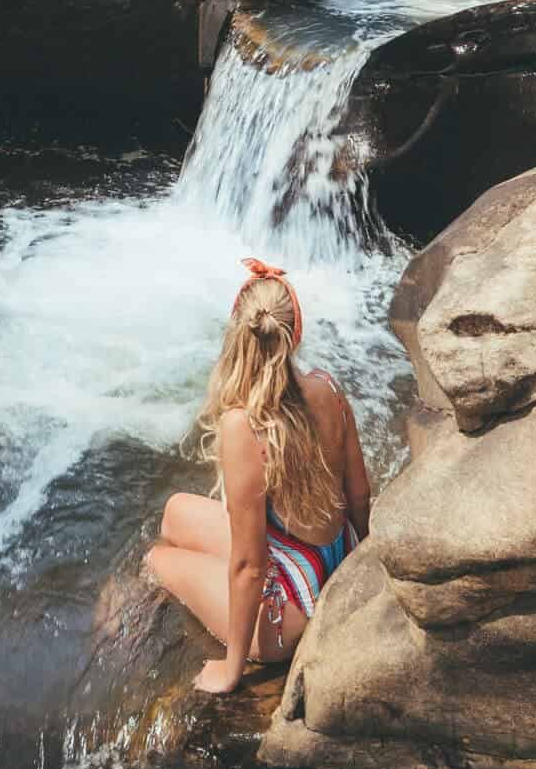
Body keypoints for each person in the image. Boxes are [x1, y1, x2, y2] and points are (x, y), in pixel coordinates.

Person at [148, 257, 372, 694]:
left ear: (237, 335)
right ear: (296, 333)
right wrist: (363, 564)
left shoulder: (243, 426)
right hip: (332, 554)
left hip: (289, 607)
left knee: (156, 561)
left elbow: (250, 566)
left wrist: (232, 671)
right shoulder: (327, 387)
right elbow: (359, 496)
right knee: (174, 512)